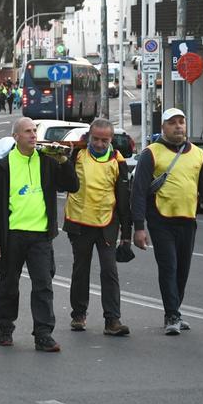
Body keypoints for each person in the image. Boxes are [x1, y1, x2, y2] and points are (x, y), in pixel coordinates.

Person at [0, 117, 79, 352]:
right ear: (16, 136)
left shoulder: (47, 161)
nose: (33, 135)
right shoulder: (4, 165)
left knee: (43, 286)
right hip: (12, 235)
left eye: (34, 131)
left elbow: (72, 185)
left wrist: (65, 161)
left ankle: (43, 334)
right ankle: (6, 327)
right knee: (9, 284)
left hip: (40, 235)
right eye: (27, 131)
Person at [131, 108, 203, 335]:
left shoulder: (199, 155)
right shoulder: (151, 153)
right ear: (163, 127)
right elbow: (138, 192)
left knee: (182, 270)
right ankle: (172, 314)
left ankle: (174, 311)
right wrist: (139, 227)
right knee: (169, 267)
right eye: (172, 123)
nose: (178, 126)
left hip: (187, 221)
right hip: (160, 220)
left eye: (181, 122)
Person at [63, 118, 131, 336]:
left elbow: (123, 200)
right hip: (79, 222)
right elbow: (63, 181)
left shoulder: (118, 161)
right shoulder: (77, 154)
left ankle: (112, 320)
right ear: (89, 136)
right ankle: (78, 314)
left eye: (105, 140)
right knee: (80, 269)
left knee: (109, 271)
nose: (100, 144)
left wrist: (127, 236)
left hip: (107, 223)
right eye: (96, 139)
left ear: (111, 139)